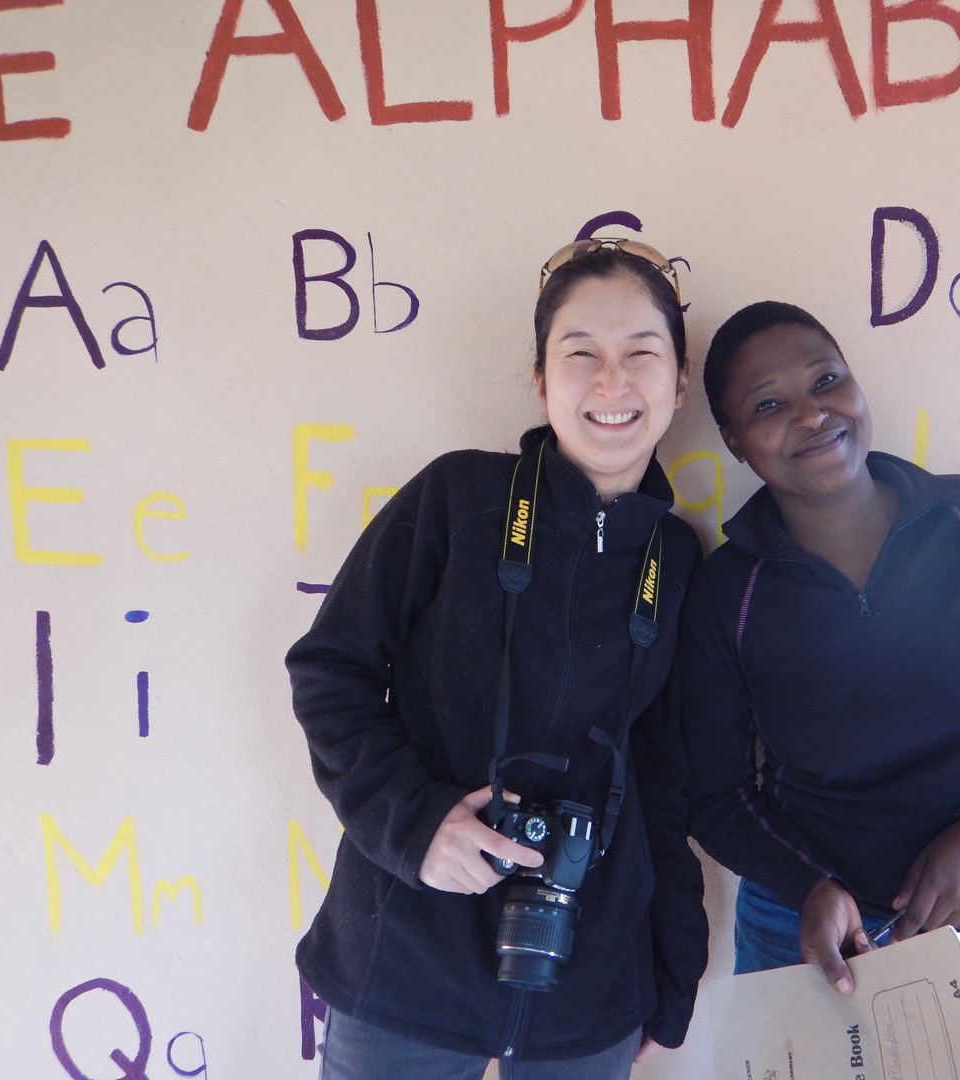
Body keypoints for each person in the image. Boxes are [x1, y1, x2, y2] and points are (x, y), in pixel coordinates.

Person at [286, 238, 709, 1080]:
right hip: (405, 960)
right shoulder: (458, 499)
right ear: (541, 380)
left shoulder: (678, 558)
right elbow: (331, 671)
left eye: (641, 354)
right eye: (580, 353)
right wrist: (415, 826)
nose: (612, 382)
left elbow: (663, 780)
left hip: (588, 987)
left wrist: (671, 979)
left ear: (680, 383)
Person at [680, 301, 960, 1079]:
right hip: (812, 943)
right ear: (733, 440)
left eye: (826, 380)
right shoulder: (729, 592)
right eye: (768, 405)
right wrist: (810, 886)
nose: (811, 414)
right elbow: (712, 793)